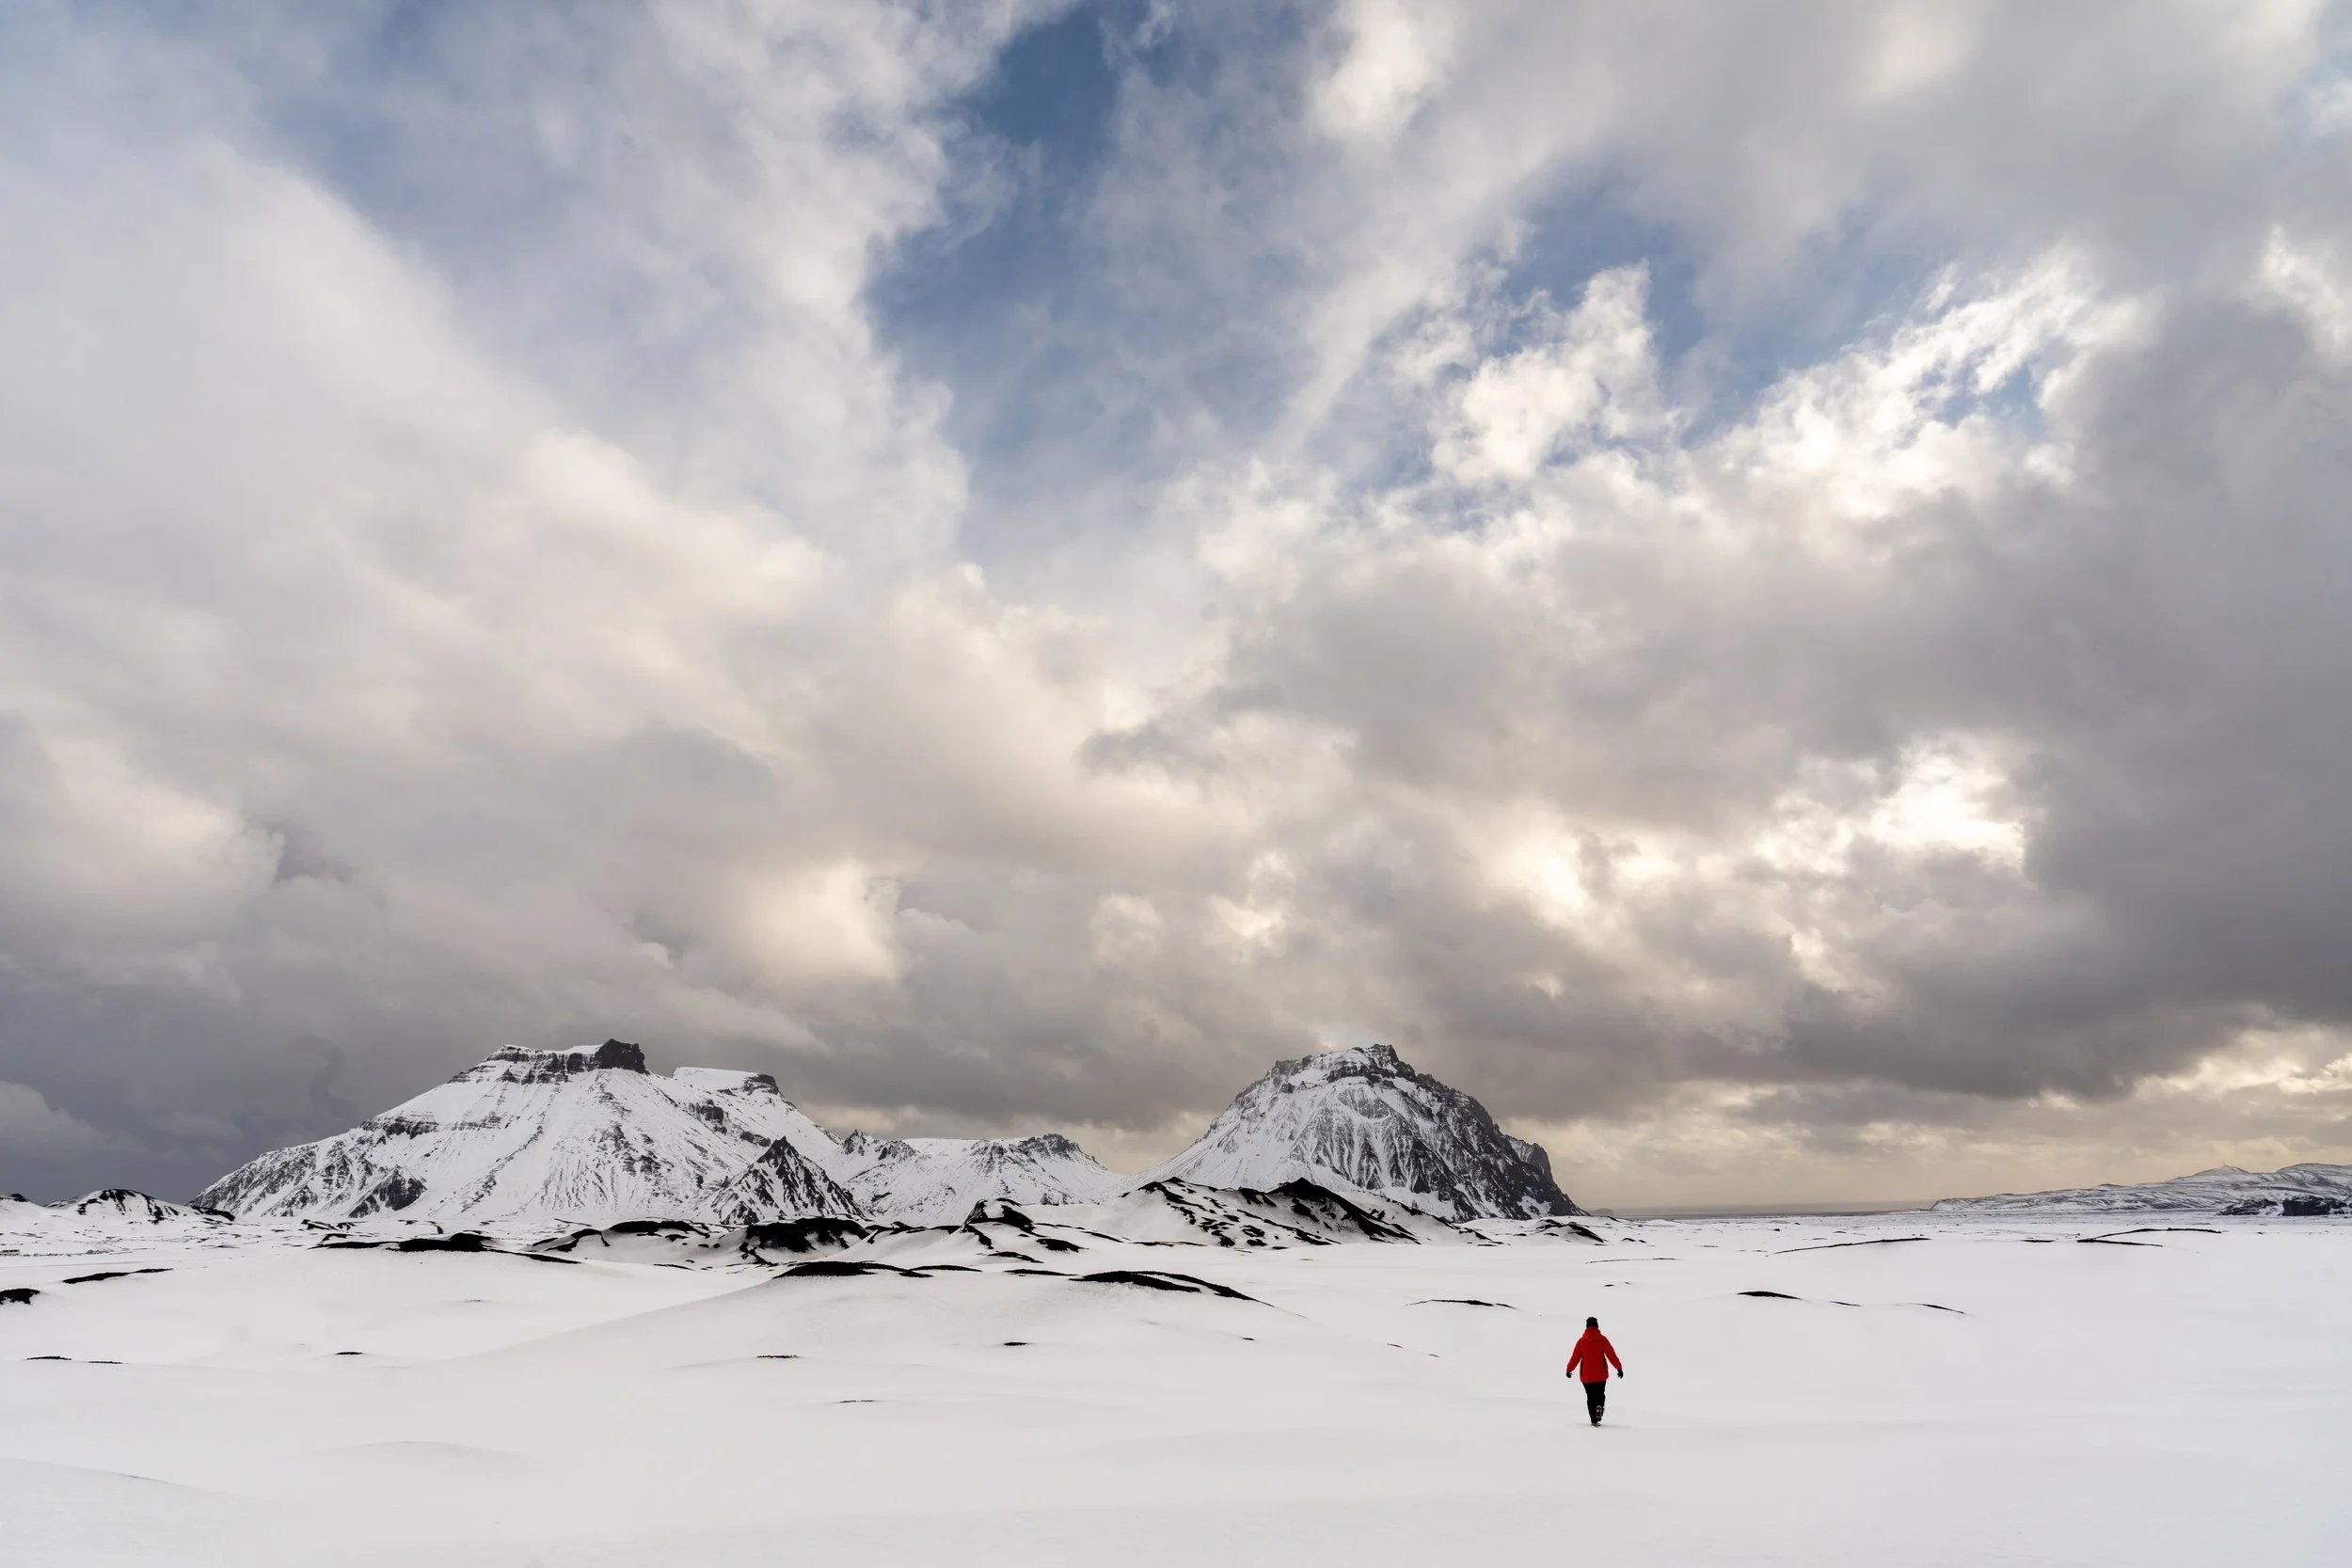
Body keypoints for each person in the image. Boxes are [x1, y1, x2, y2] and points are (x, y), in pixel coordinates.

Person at [1565, 1315, 1623, 1425]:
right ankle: (1599, 1408)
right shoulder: (1603, 1340)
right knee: (1600, 1394)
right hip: (1601, 1375)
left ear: (1586, 1327)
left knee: (1590, 1398)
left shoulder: (1581, 1342)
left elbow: (1575, 1357)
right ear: (1597, 1326)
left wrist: (1569, 1369)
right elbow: (1611, 1354)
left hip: (1586, 1377)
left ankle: (1594, 1421)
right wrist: (1618, 1368)